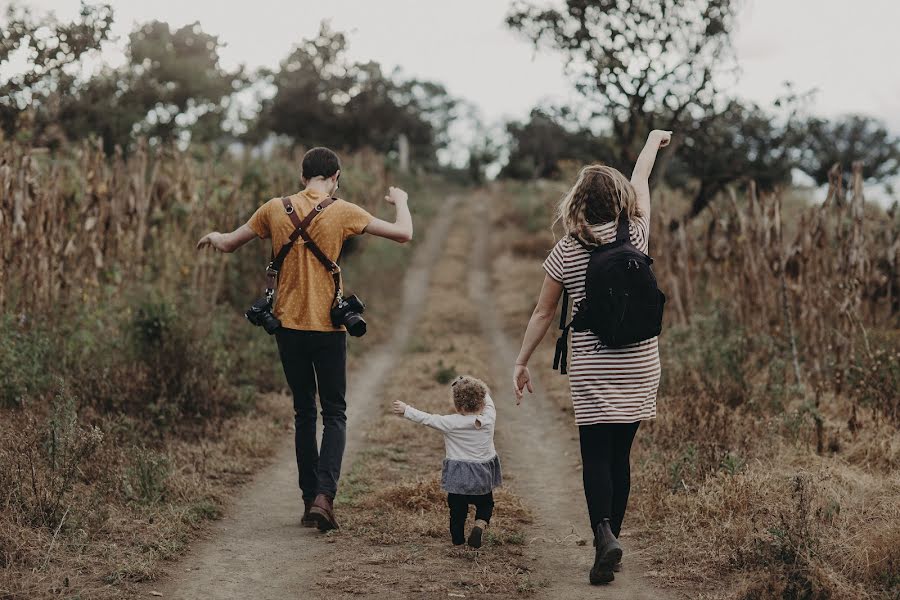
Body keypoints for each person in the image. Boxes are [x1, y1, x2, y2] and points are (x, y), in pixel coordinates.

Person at [197, 147, 413, 531]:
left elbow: (229, 243)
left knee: (303, 412)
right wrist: (402, 201)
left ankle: (307, 499)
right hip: (329, 329)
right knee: (334, 414)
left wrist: (213, 235)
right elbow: (404, 234)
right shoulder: (343, 210)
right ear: (336, 177)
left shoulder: (273, 209)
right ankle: (324, 498)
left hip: (288, 328)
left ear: (302, 178)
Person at [511, 130, 672, 585]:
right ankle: (612, 539)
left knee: (594, 456)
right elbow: (642, 180)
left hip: (594, 366)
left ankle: (603, 536)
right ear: (620, 201)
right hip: (640, 363)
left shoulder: (567, 249)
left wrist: (521, 361)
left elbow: (543, 312)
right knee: (620, 455)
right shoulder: (636, 234)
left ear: (577, 203)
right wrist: (650, 144)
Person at [391, 376, 502, 549]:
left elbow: (426, 418)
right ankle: (479, 525)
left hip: (458, 477)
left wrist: (406, 410)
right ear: (481, 403)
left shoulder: (450, 422)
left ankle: (457, 540)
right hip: (482, 475)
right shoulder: (488, 418)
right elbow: (489, 402)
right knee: (486, 504)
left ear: (458, 406)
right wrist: (480, 388)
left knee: (457, 511)